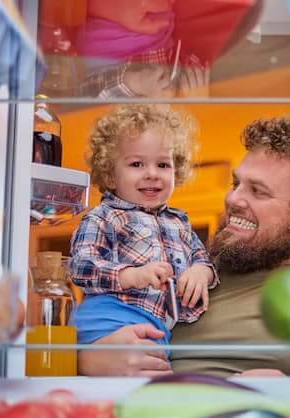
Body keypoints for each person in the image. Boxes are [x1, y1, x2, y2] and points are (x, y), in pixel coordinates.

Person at [78, 115, 290, 377]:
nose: (233, 199)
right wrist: (89, 362)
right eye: (236, 184)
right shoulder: (184, 272)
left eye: (258, 191)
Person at [68, 104, 218, 373]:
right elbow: (81, 266)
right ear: (111, 175)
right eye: (137, 164)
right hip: (107, 319)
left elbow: (203, 259)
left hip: (156, 326)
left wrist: (200, 272)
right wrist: (131, 276)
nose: (152, 173)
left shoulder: (180, 222)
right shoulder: (104, 217)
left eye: (163, 164)